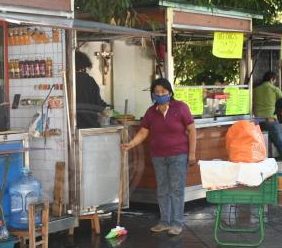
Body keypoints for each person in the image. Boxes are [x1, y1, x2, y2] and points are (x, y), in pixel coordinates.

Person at [121, 78, 196, 236]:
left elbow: (192, 130)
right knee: (162, 189)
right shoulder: (151, 112)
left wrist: (192, 154)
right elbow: (143, 132)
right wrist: (130, 144)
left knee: (176, 190)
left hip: (178, 155)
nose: (160, 94)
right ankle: (164, 222)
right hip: (158, 156)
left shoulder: (181, 107)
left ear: (170, 92)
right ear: (153, 95)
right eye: (157, 92)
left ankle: (177, 223)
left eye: (163, 91)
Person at [252, 70, 282, 159]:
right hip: (270, 120)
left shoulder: (255, 90)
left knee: (263, 145)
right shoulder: (274, 89)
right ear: (272, 79)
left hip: (257, 122)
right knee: (280, 144)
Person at [75, 50, 108, 129]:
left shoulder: (68, 81)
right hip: (89, 125)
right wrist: (106, 110)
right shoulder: (88, 80)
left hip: (72, 125)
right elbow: (97, 103)